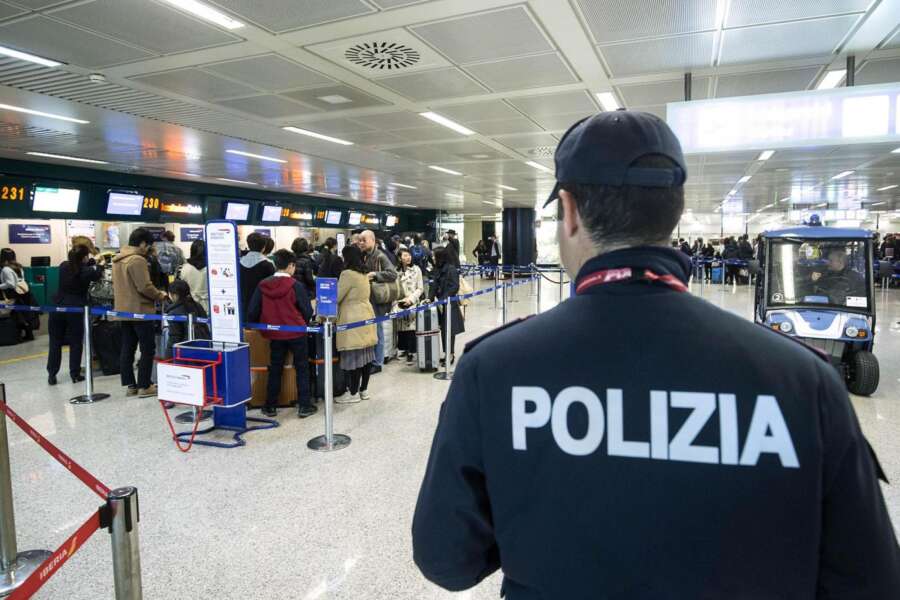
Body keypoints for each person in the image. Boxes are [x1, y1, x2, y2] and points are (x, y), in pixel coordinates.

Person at [412, 110, 900, 598]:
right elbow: (871, 581)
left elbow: (446, 559)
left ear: (570, 211)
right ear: (673, 213)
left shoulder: (493, 369)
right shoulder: (801, 380)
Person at [246, 249, 316, 419]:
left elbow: (252, 311)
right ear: (291, 265)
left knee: (275, 368)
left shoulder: (263, 285)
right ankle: (304, 405)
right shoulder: (295, 285)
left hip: (274, 334)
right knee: (301, 367)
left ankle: (270, 406)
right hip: (296, 332)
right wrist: (304, 323)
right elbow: (307, 310)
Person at [112, 227, 167, 397]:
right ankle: (145, 385)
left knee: (128, 347)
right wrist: (160, 295)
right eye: (148, 245)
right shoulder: (137, 260)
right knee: (147, 348)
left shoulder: (118, 259)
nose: (148, 249)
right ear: (142, 243)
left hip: (123, 310)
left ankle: (131, 385)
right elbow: (144, 286)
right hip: (140, 310)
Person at [46, 244, 101, 385]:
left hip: (57, 307)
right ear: (84, 257)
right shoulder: (87, 271)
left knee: (55, 342)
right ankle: (75, 374)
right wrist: (99, 263)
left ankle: (52, 374)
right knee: (76, 342)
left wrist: (89, 263)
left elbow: (77, 267)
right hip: (75, 309)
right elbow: (97, 274)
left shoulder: (63, 266)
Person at [335, 245, 377, 403]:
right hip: (367, 314)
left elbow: (337, 297)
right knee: (366, 356)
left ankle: (352, 393)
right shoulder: (364, 273)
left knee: (353, 357)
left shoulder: (347, 274)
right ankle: (363, 391)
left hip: (352, 319)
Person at [358, 229, 397, 374]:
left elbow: (393, 274)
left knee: (377, 330)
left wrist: (375, 274)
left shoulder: (380, 256)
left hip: (377, 300)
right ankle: (371, 359)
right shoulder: (363, 256)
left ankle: (378, 362)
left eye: (364, 240)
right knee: (370, 330)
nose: (361, 243)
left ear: (373, 241)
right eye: (360, 240)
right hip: (366, 299)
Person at [430, 246, 464, 366]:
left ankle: (450, 354)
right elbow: (433, 285)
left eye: (434, 256)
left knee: (449, 330)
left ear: (440, 257)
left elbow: (455, 286)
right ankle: (446, 353)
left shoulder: (451, 269)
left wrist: (444, 299)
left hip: (449, 305)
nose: (432, 258)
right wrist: (429, 299)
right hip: (439, 305)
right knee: (443, 330)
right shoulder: (437, 269)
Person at [162, 279, 209, 357]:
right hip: (205, 347)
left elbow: (174, 337)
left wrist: (168, 357)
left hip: (185, 353)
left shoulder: (173, 313)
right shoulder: (197, 306)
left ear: (174, 295)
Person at [394, 248, 424, 366]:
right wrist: (399, 300)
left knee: (411, 328)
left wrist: (411, 299)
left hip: (413, 302)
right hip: (400, 302)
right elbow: (394, 288)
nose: (408, 258)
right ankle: (402, 349)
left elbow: (420, 288)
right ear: (400, 258)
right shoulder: (396, 271)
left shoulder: (416, 270)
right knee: (401, 328)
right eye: (405, 256)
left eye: (409, 255)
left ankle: (412, 352)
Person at [0, 248, 36, 342]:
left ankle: (18, 336)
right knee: (25, 314)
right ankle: (29, 334)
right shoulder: (18, 266)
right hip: (24, 292)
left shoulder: (6, 269)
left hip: (14, 294)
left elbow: (11, 284)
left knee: (17, 315)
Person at [239, 232, 275, 309]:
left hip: (242, 303)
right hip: (261, 305)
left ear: (249, 245)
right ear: (263, 248)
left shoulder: (239, 263)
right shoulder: (268, 265)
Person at [178, 239, 208, 315]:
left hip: (190, 307)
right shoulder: (212, 268)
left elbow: (179, 288)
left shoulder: (183, 268)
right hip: (210, 306)